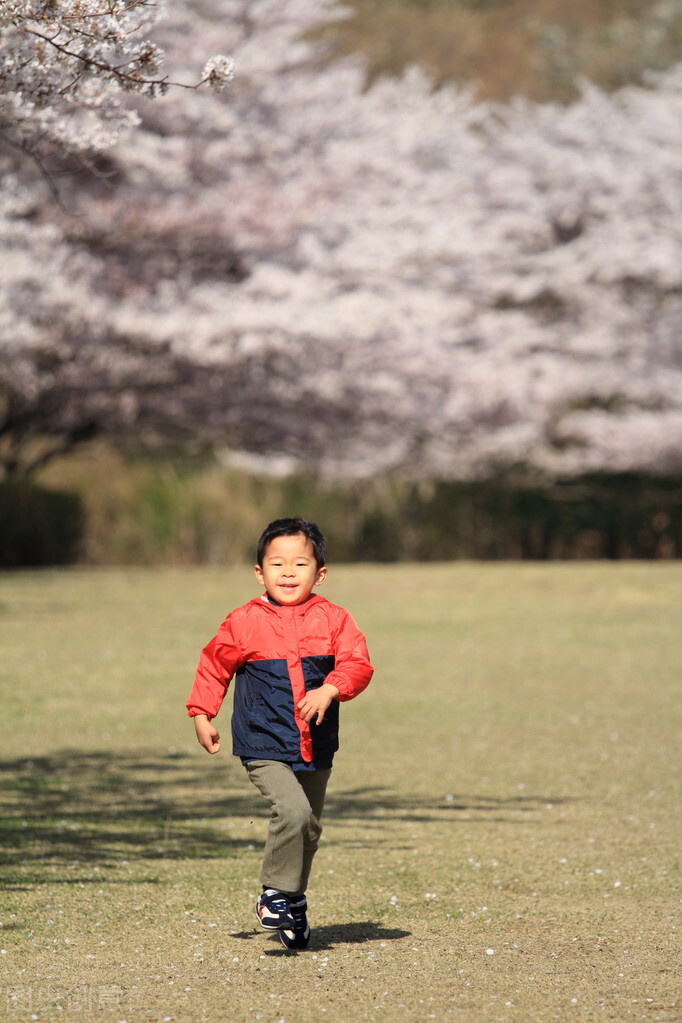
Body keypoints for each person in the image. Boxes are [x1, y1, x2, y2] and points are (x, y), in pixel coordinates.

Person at [186, 517, 373, 950]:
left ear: (320, 573)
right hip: (263, 740)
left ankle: (293, 901)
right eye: (277, 564)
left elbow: (358, 664)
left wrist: (331, 688)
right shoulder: (245, 621)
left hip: (316, 742)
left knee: (308, 827)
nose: (288, 573)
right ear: (259, 572)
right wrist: (201, 712)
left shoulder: (335, 619)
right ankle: (273, 893)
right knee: (291, 812)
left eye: (300, 563)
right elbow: (214, 664)